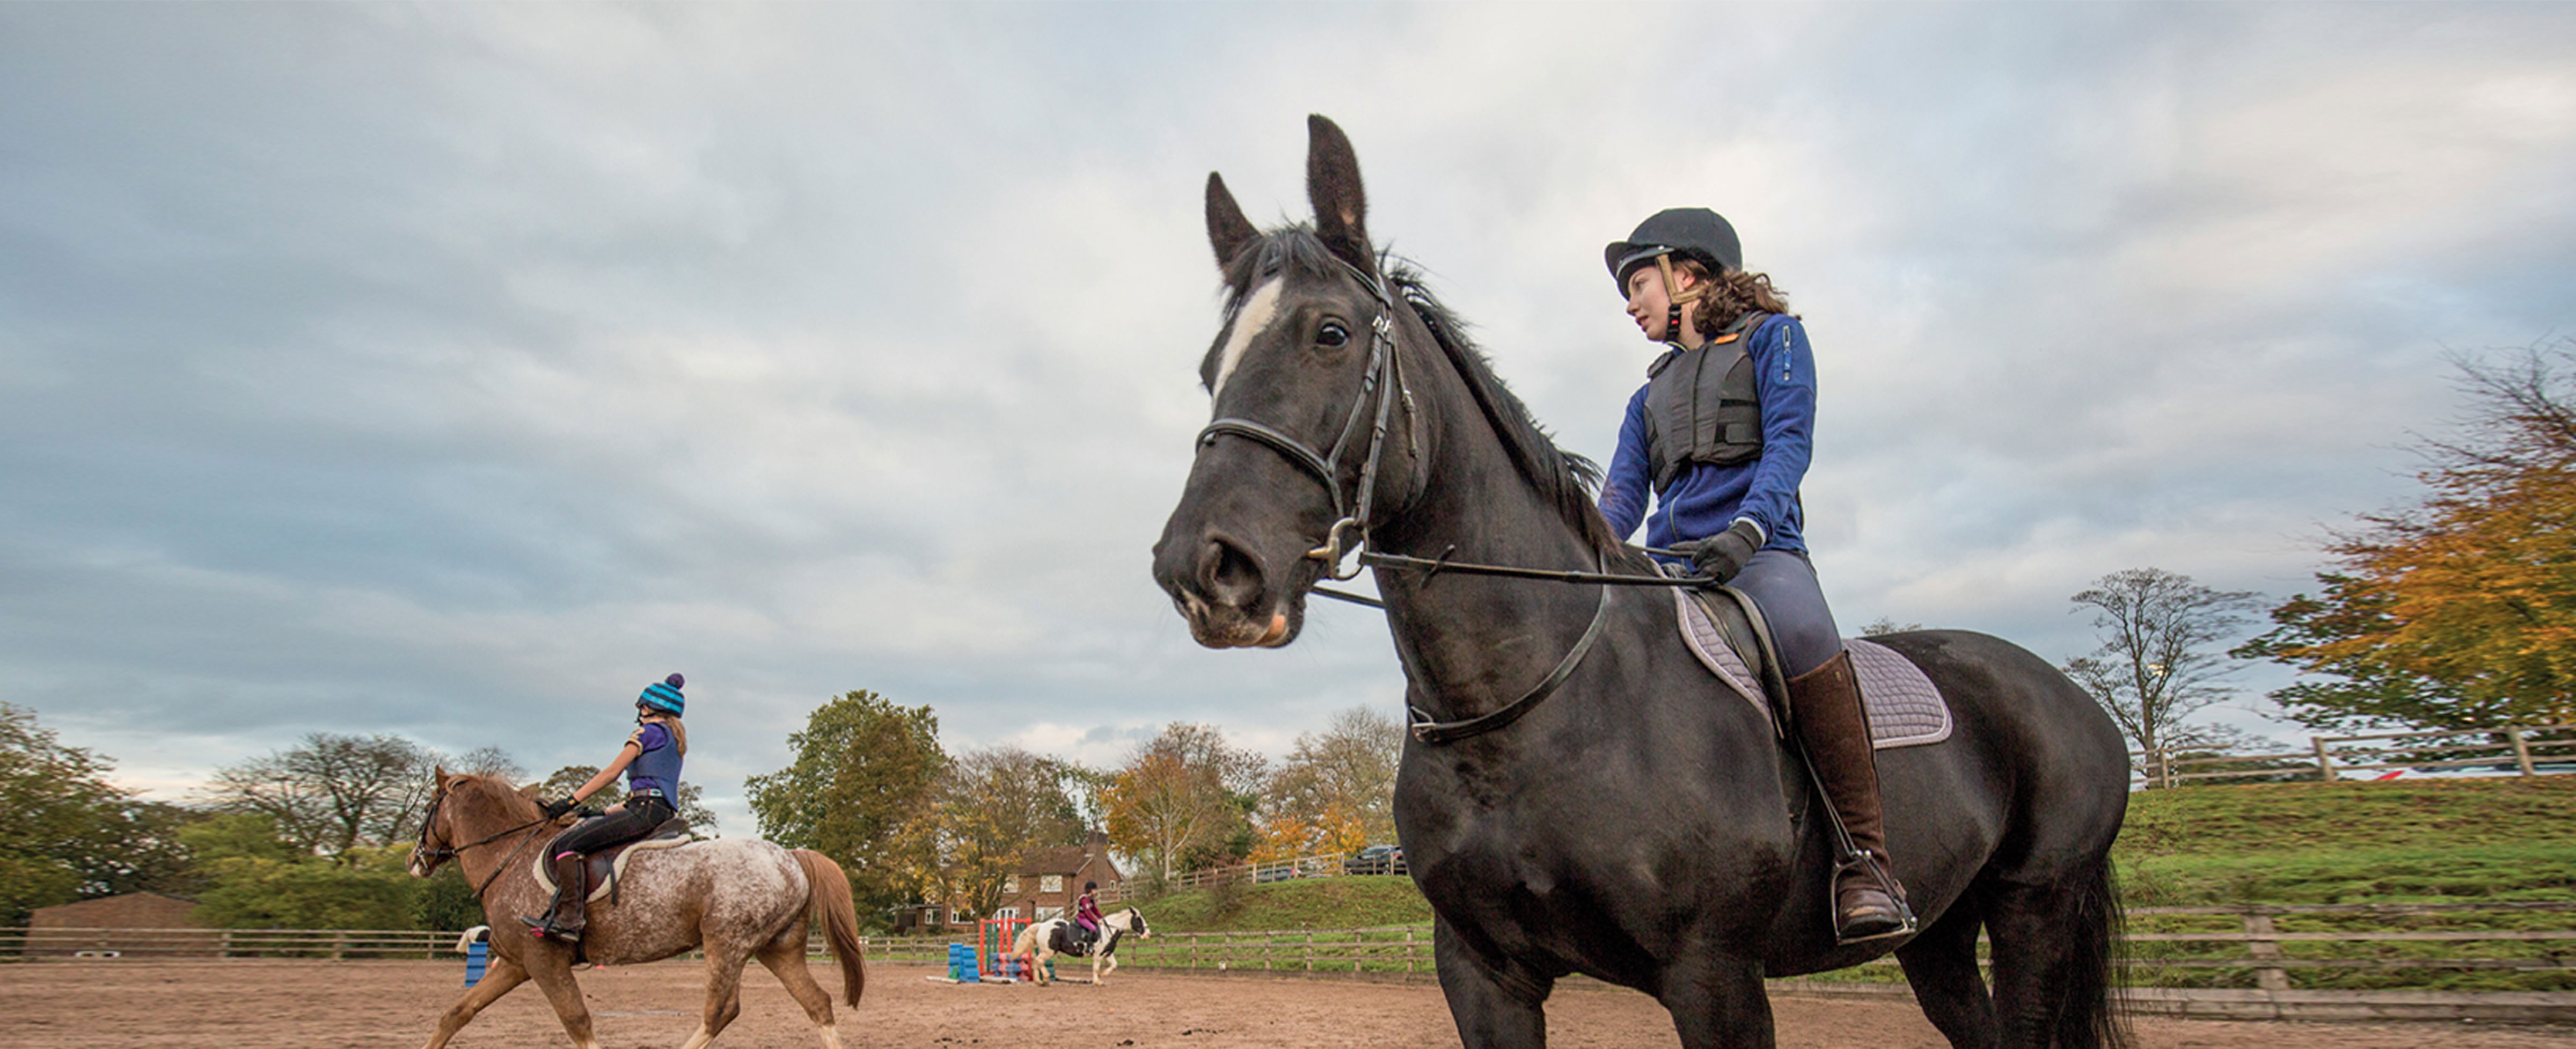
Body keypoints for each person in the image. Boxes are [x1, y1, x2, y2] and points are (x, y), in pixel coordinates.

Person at [1596, 209, 1908, 943]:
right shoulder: (1647, 398)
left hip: (1758, 552)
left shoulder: (1776, 339)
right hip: (1670, 562)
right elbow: (1620, 500)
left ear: (1690, 275)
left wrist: (1748, 530)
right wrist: (1581, 559)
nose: (1631, 304)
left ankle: (1866, 862)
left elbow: (1790, 446)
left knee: (1801, 628)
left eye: (1638, 283)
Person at [521, 673, 691, 944]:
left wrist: (571, 801)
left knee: (567, 844)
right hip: (656, 810)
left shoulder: (645, 733)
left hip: (644, 810)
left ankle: (570, 920)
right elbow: (647, 792)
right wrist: (602, 813)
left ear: (645, 708)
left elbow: (611, 773)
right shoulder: (674, 741)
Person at [1069, 880, 1104, 953]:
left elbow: (1095, 910)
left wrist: (1102, 918)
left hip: (1087, 918)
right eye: (1094, 889)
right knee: (1093, 928)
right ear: (1090, 890)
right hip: (1082, 918)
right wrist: (1096, 921)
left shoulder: (1091, 898)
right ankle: (1089, 947)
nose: (1096, 891)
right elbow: (1088, 912)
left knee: (1096, 927)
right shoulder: (1084, 899)